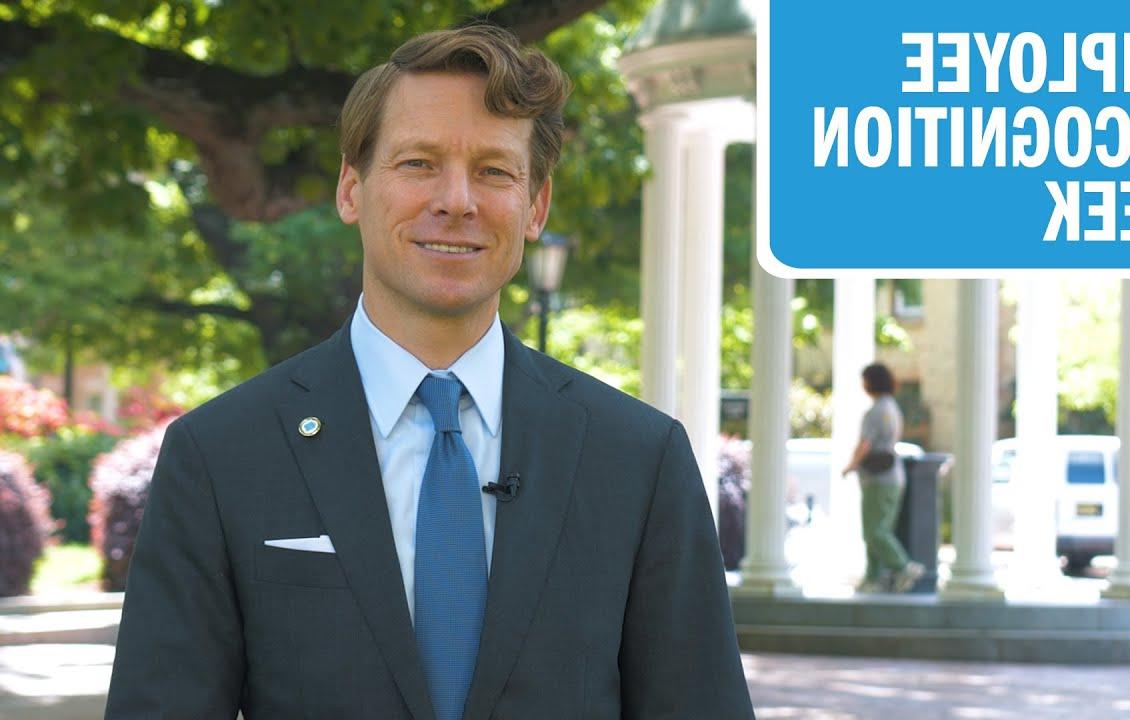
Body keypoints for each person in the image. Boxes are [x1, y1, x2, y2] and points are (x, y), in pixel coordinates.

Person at [105, 24, 754, 719]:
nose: (457, 200)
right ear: (352, 190)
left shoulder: (639, 461)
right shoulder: (221, 455)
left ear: (536, 206)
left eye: (495, 171)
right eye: (418, 163)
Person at [841, 363, 924, 594]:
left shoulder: (876, 411)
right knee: (877, 528)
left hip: (878, 479)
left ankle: (903, 565)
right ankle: (872, 578)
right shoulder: (892, 408)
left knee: (874, 531)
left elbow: (865, 444)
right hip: (893, 477)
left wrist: (850, 465)